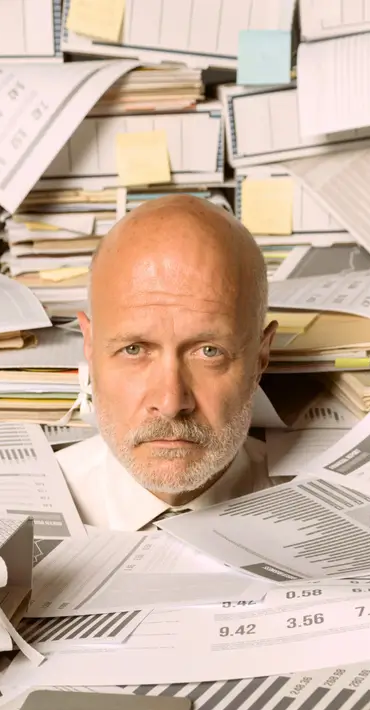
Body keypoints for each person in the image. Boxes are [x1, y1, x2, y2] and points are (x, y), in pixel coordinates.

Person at [57, 195, 277, 530]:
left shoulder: (322, 512)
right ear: (90, 345)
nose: (172, 403)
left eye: (209, 351)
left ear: (261, 356)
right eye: (134, 349)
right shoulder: (23, 507)